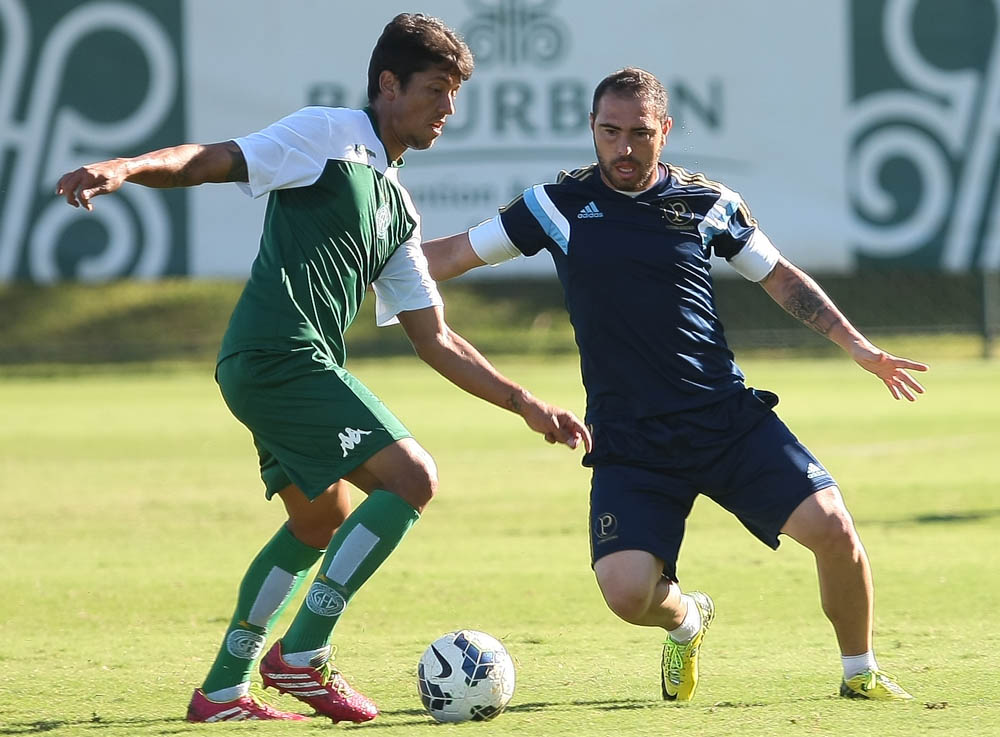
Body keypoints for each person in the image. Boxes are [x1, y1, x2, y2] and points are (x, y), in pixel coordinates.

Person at [56, 13, 590, 724]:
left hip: (273, 362)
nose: (447, 110)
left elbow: (435, 338)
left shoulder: (397, 206)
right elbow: (210, 158)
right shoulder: (326, 134)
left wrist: (524, 402)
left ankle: (223, 688)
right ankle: (301, 655)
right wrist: (125, 167)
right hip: (281, 352)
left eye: (454, 95)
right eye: (435, 90)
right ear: (388, 85)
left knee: (321, 518)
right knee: (412, 478)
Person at [422, 67, 928, 703]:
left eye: (639, 133)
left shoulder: (708, 204)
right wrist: (361, 258)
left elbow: (779, 277)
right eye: (610, 132)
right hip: (631, 439)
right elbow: (451, 255)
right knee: (628, 594)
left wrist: (856, 345)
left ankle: (861, 673)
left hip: (724, 419)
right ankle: (688, 620)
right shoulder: (555, 207)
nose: (624, 148)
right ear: (592, 129)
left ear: (664, 130)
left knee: (833, 528)